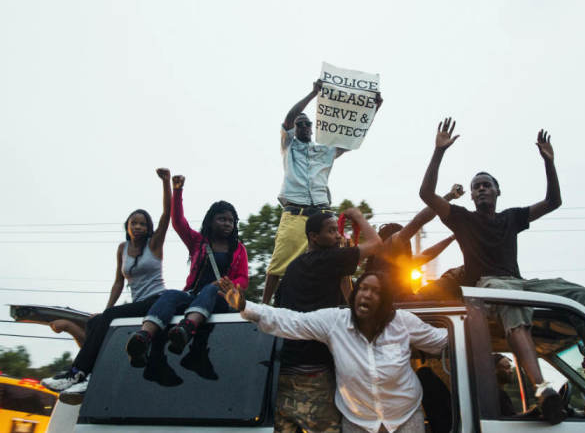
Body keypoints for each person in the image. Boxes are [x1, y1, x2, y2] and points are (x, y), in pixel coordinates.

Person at [419, 119, 585, 424]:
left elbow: (554, 201)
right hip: (487, 288)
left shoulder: (512, 217)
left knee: (583, 296)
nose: (481, 190)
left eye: (486, 185)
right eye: (476, 187)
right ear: (473, 197)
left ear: (498, 192)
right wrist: (438, 152)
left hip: (521, 283)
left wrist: (549, 163)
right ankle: (542, 389)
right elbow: (426, 193)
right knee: (509, 297)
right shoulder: (463, 219)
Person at [219, 271, 448, 433]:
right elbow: (292, 320)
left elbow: (440, 342)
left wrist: (477, 326)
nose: (366, 295)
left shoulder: (402, 322)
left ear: (385, 301)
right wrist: (245, 306)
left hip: (405, 418)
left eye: (375, 292)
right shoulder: (335, 321)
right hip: (358, 423)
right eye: (363, 289)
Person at [42, 168, 172, 403]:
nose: (139, 227)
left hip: (155, 300)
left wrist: (166, 183)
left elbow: (166, 215)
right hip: (136, 303)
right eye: (134, 223)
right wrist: (105, 310)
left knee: (107, 318)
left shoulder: (154, 244)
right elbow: (118, 282)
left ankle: (76, 373)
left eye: (143, 224)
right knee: (96, 321)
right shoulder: (122, 249)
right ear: (128, 226)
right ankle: (92, 376)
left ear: (148, 227)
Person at [262, 79, 383, 304]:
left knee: (340, 263)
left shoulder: (325, 151)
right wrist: (312, 94)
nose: (304, 127)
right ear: (294, 129)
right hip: (294, 214)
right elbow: (289, 117)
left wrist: (373, 109)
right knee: (278, 263)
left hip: (324, 215)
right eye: (300, 124)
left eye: (308, 124)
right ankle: (264, 306)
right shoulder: (288, 146)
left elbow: (353, 137)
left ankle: (350, 307)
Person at [269, 208, 382, 432]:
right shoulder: (331, 259)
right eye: (332, 231)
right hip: (314, 373)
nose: (338, 236)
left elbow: (279, 310)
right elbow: (377, 244)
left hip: (283, 374)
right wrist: (358, 217)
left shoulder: (292, 268)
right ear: (313, 237)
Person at [125, 174, 248, 366]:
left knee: (211, 289)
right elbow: (178, 222)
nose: (227, 224)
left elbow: (243, 278)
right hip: (194, 297)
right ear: (211, 221)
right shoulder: (198, 242)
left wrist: (232, 285)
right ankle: (144, 336)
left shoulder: (239, 249)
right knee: (170, 295)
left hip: (222, 299)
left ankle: (187, 328)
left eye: (230, 221)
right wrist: (177, 190)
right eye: (222, 219)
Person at [366, 184, 464, 301]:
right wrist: (449, 196)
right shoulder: (389, 248)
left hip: (410, 304)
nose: (407, 241)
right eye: (404, 237)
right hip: (406, 303)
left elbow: (428, 254)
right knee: (458, 274)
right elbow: (418, 221)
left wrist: (452, 237)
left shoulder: (397, 263)